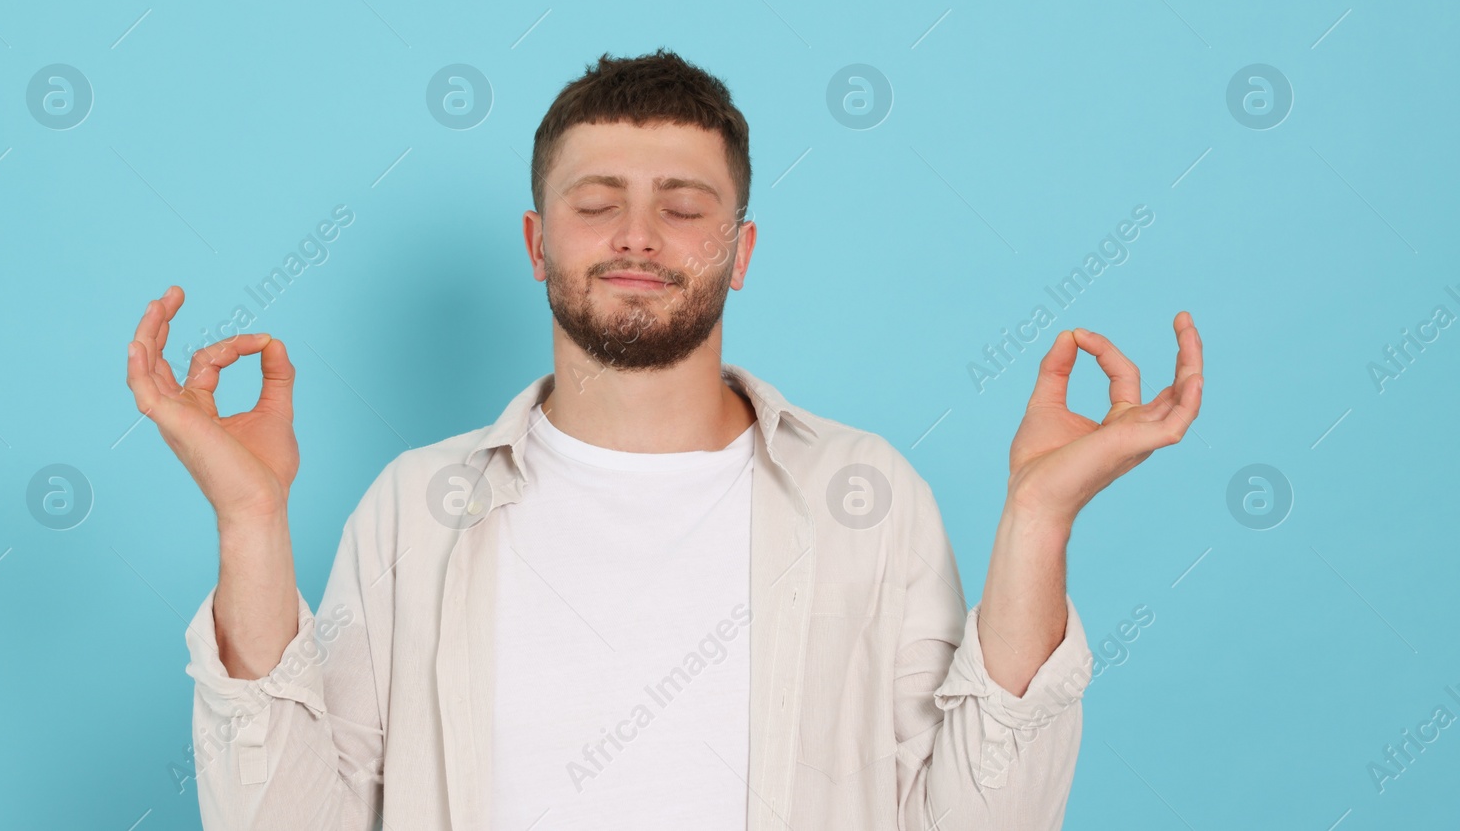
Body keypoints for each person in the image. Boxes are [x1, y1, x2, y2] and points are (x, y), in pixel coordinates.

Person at [125, 48, 1203, 830]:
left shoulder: (864, 494)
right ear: (538, 241)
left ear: (739, 250)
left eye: (683, 206)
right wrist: (251, 517)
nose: (638, 235)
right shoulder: (416, 507)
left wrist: (1038, 518)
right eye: (598, 203)